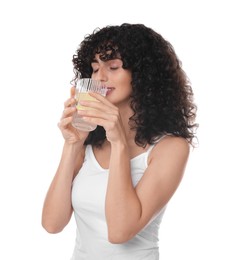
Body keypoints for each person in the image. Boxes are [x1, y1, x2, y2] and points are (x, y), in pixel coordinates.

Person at [42, 23, 197, 260]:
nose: (100, 77)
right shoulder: (90, 143)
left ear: (144, 75)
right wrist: (72, 144)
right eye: (94, 69)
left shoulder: (170, 148)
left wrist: (119, 143)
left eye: (113, 67)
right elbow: (52, 224)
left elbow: (120, 231)